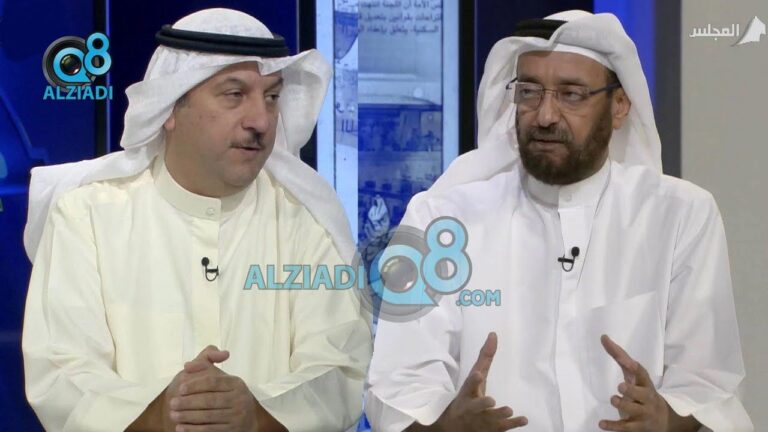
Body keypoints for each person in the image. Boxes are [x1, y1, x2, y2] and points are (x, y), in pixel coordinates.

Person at [365, 10, 752, 432]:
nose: (545, 115)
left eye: (571, 94)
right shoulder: (440, 218)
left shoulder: (679, 215)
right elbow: (398, 386)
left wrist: (666, 418)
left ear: (619, 106)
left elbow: (708, 384)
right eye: (530, 92)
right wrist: (445, 426)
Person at [22, 8, 371, 432]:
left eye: (272, 97)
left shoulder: (306, 218)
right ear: (170, 107)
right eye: (234, 94)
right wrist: (160, 414)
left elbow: (339, 367)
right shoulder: (87, 214)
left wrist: (256, 415)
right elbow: (62, 371)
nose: (261, 121)